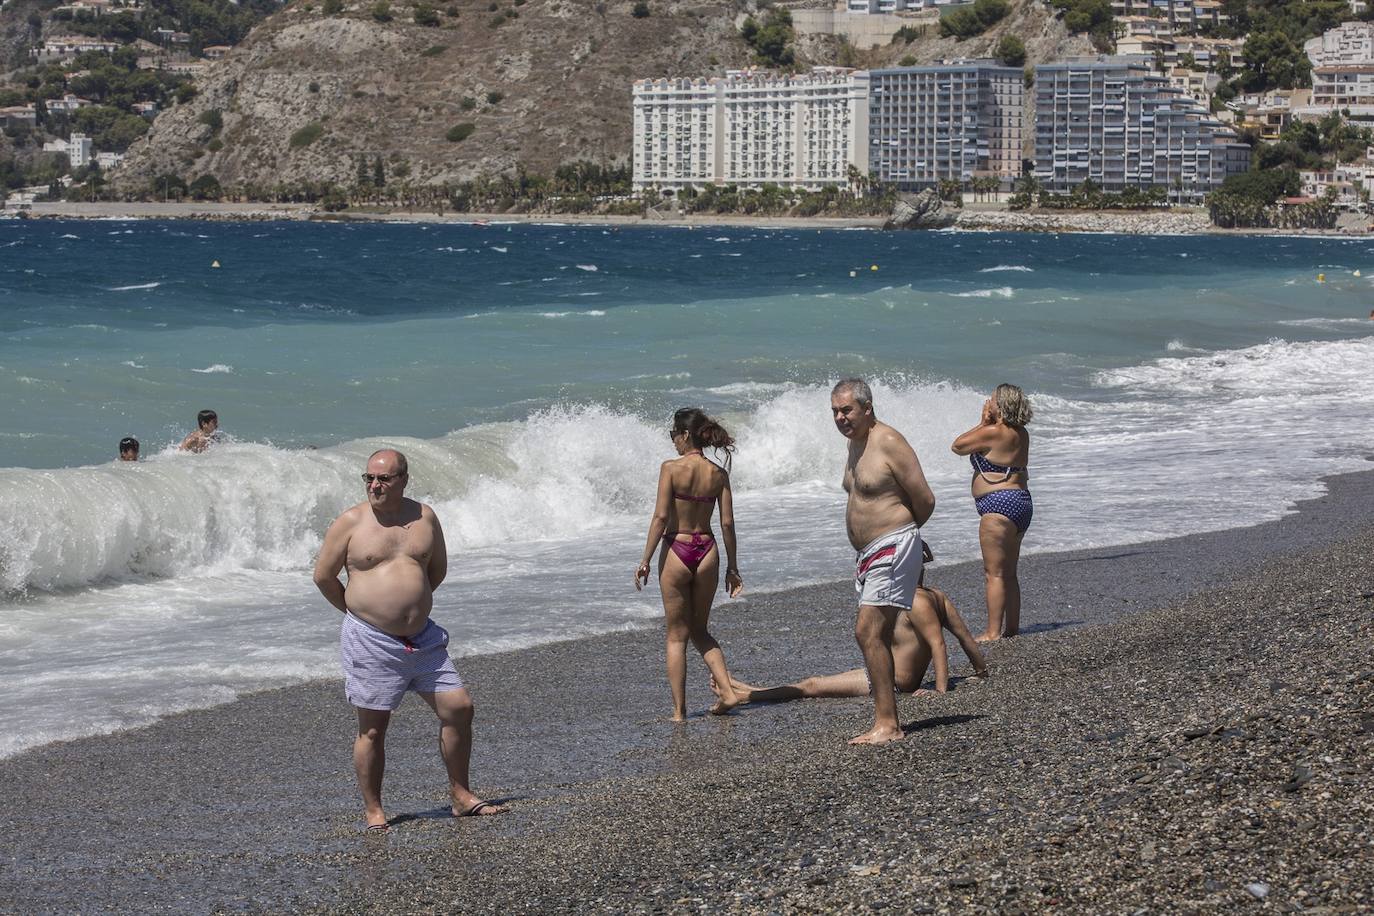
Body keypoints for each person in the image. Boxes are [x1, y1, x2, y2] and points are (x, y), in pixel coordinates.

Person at [313, 448, 507, 831]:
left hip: (422, 637)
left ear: (403, 479)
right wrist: (362, 612)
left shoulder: (424, 517)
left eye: (383, 478)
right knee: (373, 727)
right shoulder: (350, 522)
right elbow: (323, 577)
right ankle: (374, 811)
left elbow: (436, 570)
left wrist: (412, 607)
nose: (375, 485)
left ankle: (460, 795)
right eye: (369, 478)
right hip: (371, 640)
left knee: (459, 708)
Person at [831, 378, 936, 745]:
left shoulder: (889, 441)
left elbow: (924, 498)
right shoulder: (855, 443)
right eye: (835, 411)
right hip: (869, 552)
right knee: (875, 633)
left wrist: (908, 535)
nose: (840, 417)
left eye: (847, 410)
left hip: (891, 545)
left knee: (867, 631)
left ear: (867, 408)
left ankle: (888, 724)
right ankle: (886, 717)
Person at [711, 575, 988, 705]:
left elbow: (938, 644)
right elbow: (964, 637)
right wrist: (980, 671)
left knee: (812, 685)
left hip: (888, 682)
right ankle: (750, 689)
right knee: (813, 682)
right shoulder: (936, 595)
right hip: (888, 675)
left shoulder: (915, 601)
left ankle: (746, 695)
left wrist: (940, 691)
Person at [634, 407, 745, 721]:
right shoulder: (718, 474)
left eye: (674, 435)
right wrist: (733, 567)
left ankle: (680, 712)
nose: (672, 442)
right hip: (707, 549)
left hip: (677, 548)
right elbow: (727, 524)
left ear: (685, 435)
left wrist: (644, 559)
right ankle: (726, 690)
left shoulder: (670, 468)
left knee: (676, 636)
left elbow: (660, 517)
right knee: (700, 630)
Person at [951, 383, 1033, 642]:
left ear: (1001, 406)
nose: (988, 402)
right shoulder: (1022, 433)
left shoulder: (994, 432)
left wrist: (982, 421)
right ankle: (1012, 628)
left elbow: (958, 445)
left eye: (993, 400)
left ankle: (992, 631)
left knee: (994, 573)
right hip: (1021, 502)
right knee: (1009, 572)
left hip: (998, 505)